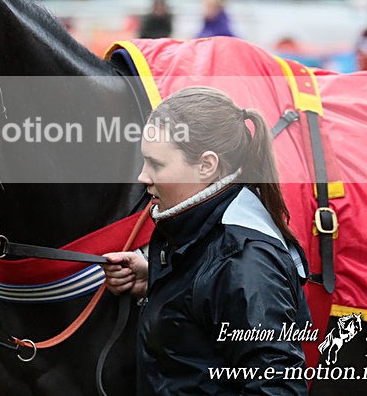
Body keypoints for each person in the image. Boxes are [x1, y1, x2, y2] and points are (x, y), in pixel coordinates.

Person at [102, 86, 311, 395]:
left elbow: (277, 388)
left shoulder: (245, 263)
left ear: (206, 165)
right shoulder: (202, 224)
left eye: (156, 164)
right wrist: (158, 276)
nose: (143, 176)